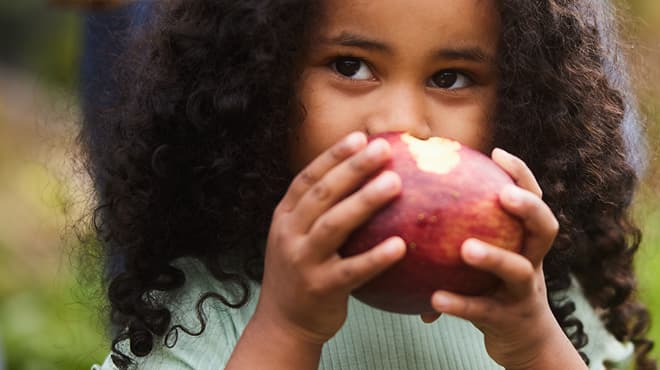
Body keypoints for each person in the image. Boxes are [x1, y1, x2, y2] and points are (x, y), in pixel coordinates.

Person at [83, 0, 655, 369]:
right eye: (351, 66)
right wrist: (288, 327)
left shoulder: (527, 298)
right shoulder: (214, 302)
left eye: (450, 78)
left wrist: (534, 345)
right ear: (262, 78)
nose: (400, 122)